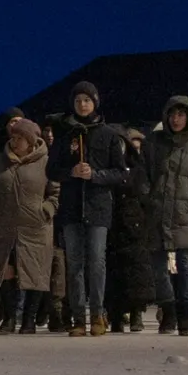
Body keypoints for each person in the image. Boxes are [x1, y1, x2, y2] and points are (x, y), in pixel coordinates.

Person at [47, 82, 128, 337]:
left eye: (87, 100)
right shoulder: (65, 135)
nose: (83, 104)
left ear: (95, 103)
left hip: (98, 207)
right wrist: (69, 173)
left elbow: (120, 172)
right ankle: (78, 317)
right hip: (71, 207)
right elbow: (51, 170)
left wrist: (96, 175)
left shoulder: (109, 135)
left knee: (97, 261)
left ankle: (98, 314)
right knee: (75, 263)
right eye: (78, 100)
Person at [137, 97, 188, 337]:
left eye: (181, 114)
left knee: (185, 265)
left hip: (185, 213)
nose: (176, 119)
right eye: (172, 114)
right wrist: (147, 197)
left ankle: (185, 315)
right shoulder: (153, 143)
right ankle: (167, 312)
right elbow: (141, 174)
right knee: (158, 266)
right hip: (157, 211)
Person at [0, 118, 55, 334]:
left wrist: (46, 210)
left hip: (36, 227)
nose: (15, 141)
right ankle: (9, 317)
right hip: (4, 226)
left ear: (31, 141)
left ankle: (29, 320)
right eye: (13, 137)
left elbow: (55, 192)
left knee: (35, 273)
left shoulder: (46, 162)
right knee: (6, 270)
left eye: (20, 138)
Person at [105, 126, 155, 333]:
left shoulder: (137, 168)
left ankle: (136, 312)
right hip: (110, 224)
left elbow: (145, 197)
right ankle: (115, 314)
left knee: (136, 272)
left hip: (135, 224)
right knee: (113, 272)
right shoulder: (104, 169)